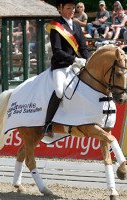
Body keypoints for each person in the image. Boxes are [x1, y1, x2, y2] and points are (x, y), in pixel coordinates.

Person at [44, 0, 90, 134]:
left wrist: (88, 60)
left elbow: (83, 48)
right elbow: (57, 51)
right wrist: (75, 59)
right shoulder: (56, 26)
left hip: (77, 65)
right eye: (68, 8)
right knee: (59, 90)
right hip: (61, 65)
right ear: (60, 8)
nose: (72, 11)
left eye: (73, 8)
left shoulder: (76, 26)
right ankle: (48, 124)